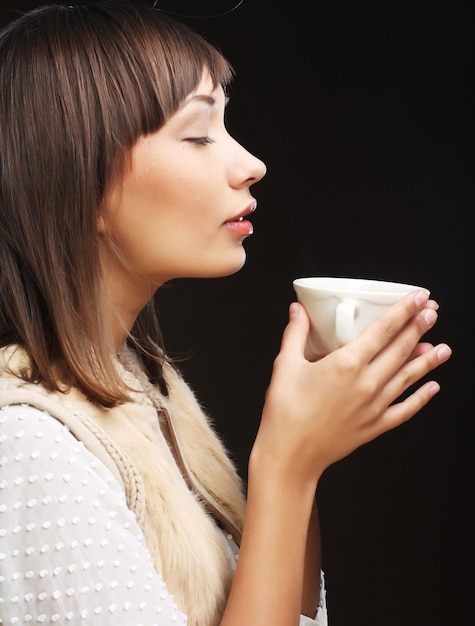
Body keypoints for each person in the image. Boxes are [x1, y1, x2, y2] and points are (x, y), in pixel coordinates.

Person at [0, 1, 452, 625]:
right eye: (198, 135)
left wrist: (305, 450)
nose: (251, 165)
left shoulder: (141, 390)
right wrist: (285, 467)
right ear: (78, 180)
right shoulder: (27, 443)